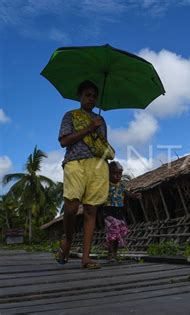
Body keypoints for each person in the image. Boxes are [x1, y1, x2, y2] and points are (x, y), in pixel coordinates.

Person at [55, 80, 115, 269]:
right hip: (75, 162)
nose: (91, 99)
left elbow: (102, 145)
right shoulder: (70, 116)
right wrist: (89, 128)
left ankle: (86, 258)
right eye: (88, 95)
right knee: (71, 207)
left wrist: (97, 130)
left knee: (91, 210)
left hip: (98, 165)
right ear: (80, 96)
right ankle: (68, 239)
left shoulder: (101, 120)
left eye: (94, 96)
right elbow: (64, 141)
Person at [103, 161, 141, 262]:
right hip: (108, 213)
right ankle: (110, 254)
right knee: (112, 233)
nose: (118, 176)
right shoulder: (105, 185)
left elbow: (128, 194)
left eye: (120, 173)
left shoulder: (121, 186)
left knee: (116, 235)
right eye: (115, 173)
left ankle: (113, 255)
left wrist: (135, 196)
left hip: (119, 213)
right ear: (108, 173)